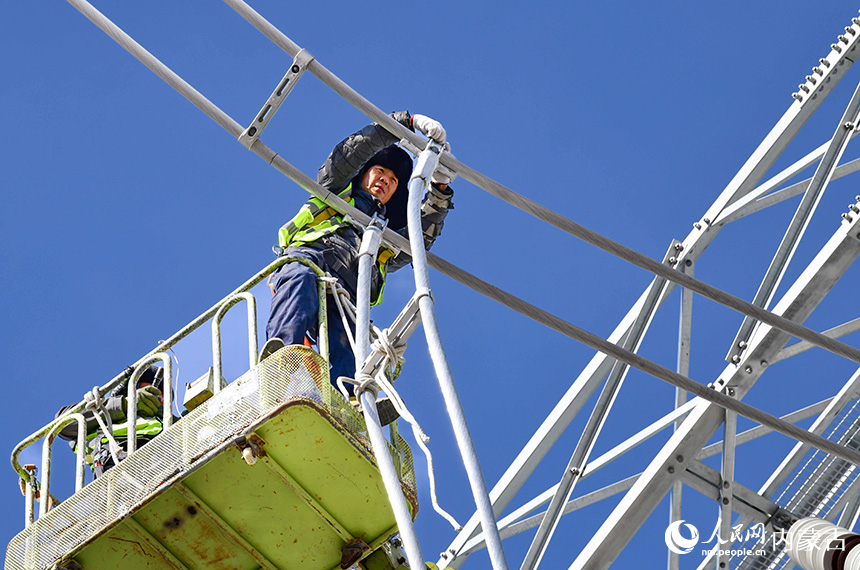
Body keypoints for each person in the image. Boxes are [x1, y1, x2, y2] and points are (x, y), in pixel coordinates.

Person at [265, 111, 454, 394]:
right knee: (299, 279)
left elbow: (419, 236)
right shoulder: (335, 190)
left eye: (393, 180)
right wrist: (401, 124)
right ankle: (284, 359)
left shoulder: (385, 240)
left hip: (348, 295)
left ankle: (347, 398)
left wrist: (439, 189)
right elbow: (350, 154)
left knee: (350, 337)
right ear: (365, 172)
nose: (385, 181)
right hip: (311, 258)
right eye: (380, 171)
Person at [56, 365, 165, 477]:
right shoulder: (103, 416)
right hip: (116, 471)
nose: (157, 397)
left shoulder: (169, 424)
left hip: (163, 465)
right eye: (150, 388)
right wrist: (125, 404)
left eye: (162, 395)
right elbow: (63, 425)